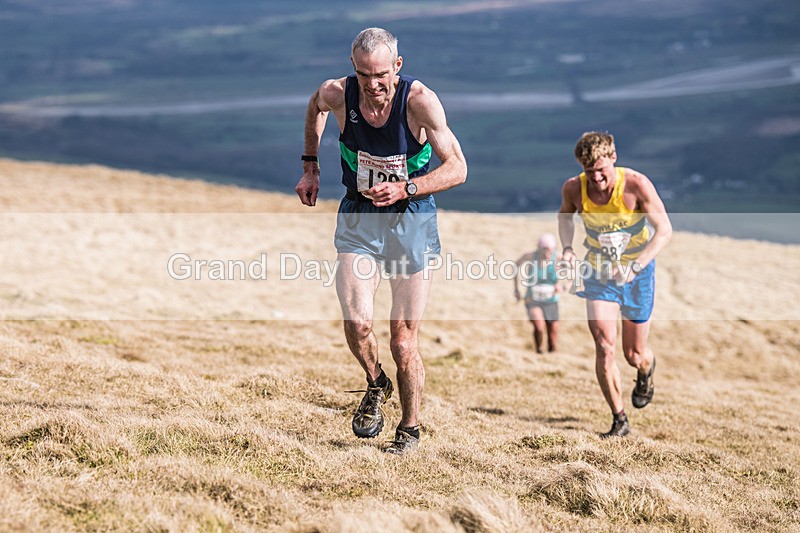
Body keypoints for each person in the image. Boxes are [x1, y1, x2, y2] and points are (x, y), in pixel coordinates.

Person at [294, 28, 467, 454]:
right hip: (359, 215)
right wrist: (311, 165)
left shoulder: (419, 101)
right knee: (357, 323)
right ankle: (376, 382)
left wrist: (408, 188)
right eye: (364, 74)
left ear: (398, 67)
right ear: (354, 69)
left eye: (382, 74)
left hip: (410, 218)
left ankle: (409, 429)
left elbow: (458, 168)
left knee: (403, 339)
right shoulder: (337, 93)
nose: (373, 84)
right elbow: (315, 106)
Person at [558, 131, 672, 438]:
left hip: (638, 273)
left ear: (614, 158)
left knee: (633, 354)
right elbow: (565, 217)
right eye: (589, 172)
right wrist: (568, 249)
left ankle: (646, 370)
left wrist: (635, 267)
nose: (596, 178)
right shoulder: (574, 188)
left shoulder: (636, 184)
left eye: (601, 170)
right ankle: (619, 419)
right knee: (604, 346)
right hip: (599, 273)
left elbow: (664, 230)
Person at [513, 232, 563, 353]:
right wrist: (517, 289)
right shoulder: (530, 257)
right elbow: (515, 266)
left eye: (549, 250)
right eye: (544, 250)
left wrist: (562, 285)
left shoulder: (558, 258)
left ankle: (552, 354)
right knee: (539, 327)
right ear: (539, 248)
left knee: (553, 331)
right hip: (533, 299)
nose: (547, 254)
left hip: (551, 300)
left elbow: (573, 271)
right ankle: (539, 351)